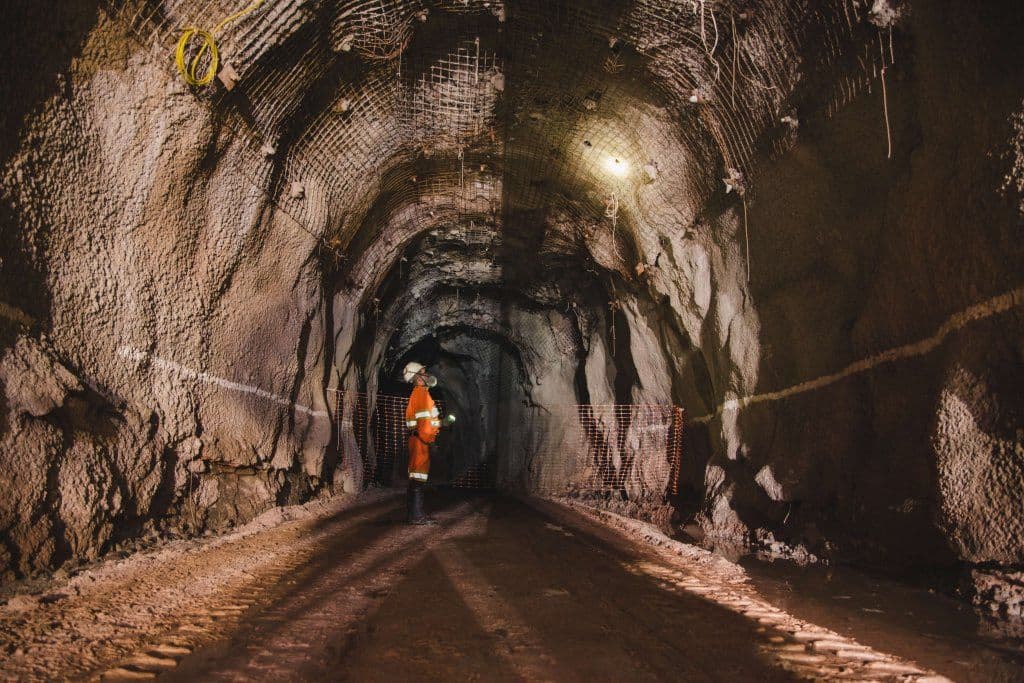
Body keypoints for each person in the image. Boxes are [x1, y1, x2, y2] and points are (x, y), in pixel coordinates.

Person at [402, 362, 454, 524]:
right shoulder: (421, 394)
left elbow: (428, 422)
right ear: (417, 377)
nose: (426, 375)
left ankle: (414, 514)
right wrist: (430, 442)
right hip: (421, 441)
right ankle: (416, 516)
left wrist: (443, 422)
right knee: (418, 478)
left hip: (417, 439)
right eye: (423, 372)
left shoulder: (419, 394)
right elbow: (425, 425)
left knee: (416, 477)